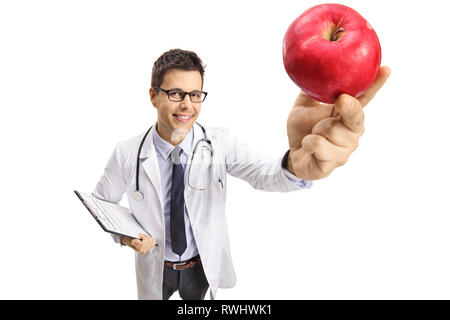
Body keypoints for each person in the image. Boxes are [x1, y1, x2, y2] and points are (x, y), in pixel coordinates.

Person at [92, 48, 391, 300]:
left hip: (199, 268)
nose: (187, 105)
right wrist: (128, 236)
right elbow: (103, 203)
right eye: (175, 93)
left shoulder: (219, 143)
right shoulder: (126, 152)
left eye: (195, 94)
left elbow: (265, 174)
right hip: (155, 267)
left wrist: (295, 165)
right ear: (153, 96)